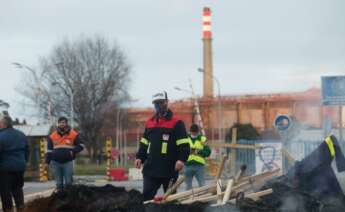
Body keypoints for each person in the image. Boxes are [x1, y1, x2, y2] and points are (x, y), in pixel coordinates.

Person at [135, 91, 190, 201]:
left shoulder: (177, 123)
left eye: (161, 102)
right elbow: (144, 142)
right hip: (151, 169)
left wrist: (181, 160)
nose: (158, 105)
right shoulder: (150, 122)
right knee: (146, 198)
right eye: (156, 103)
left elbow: (184, 145)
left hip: (169, 169)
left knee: (170, 200)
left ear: (166, 102)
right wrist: (140, 157)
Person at [0, 111, 29, 212]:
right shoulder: (21, 134)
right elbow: (27, 150)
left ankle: (8, 209)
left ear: (3, 124)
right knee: (17, 189)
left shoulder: (1, 136)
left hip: (5, 168)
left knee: (5, 191)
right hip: (20, 167)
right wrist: (25, 161)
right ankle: (21, 208)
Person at [46, 117, 84, 191]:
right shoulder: (52, 136)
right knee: (59, 184)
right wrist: (47, 162)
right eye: (60, 122)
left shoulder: (73, 134)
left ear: (66, 123)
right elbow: (49, 150)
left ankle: (69, 200)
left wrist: (73, 151)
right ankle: (60, 200)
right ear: (58, 124)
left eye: (63, 122)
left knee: (68, 183)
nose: (62, 124)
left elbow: (81, 145)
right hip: (55, 163)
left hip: (67, 162)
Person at [184, 124, 211, 190]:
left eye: (195, 132)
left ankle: (203, 198)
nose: (194, 133)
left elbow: (208, 152)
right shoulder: (185, 139)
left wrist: (199, 151)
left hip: (199, 166)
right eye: (193, 132)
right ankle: (188, 199)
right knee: (188, 186)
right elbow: (181, 150)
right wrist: (188, 151)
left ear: (198, 132)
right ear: (190, 131)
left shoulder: (202, 139)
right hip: (188, 165)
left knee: (202, 184)